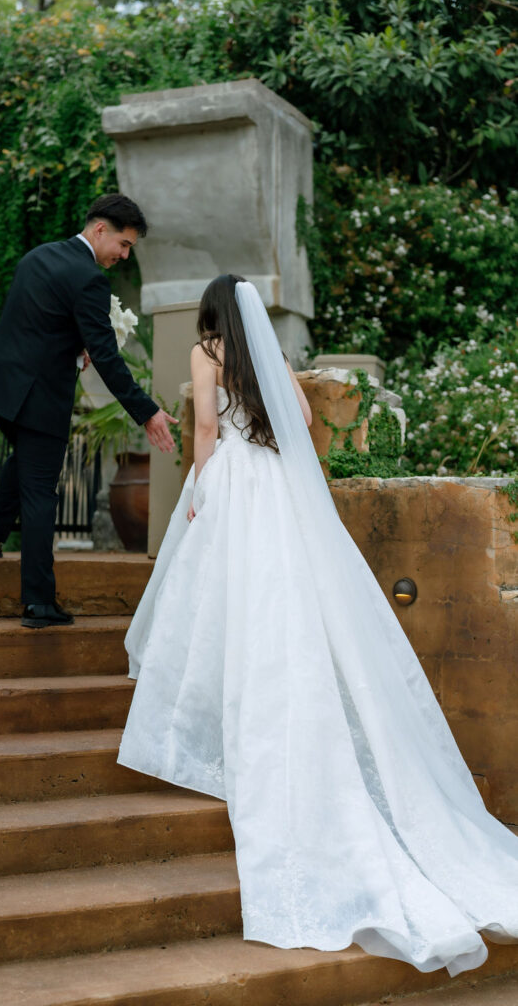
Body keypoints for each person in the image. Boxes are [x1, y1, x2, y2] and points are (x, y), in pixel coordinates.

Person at [117, 274, 518, 976]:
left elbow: (204, 429)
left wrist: (202, 490)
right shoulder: (263, 356)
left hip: (234, 481)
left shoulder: (205, 352)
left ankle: (221, 713)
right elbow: (299, 421)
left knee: (223, 604)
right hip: (276, 484)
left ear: (211, 315)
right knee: (286, 601)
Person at [0, 193, 177, 628]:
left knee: (26, 462)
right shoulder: (88, 277)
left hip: (0, 389)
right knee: (41, 492)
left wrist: (72, 342)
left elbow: (37, 322)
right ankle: (39, 603)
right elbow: (106, 356)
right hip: (40, 398)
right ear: (100, 230)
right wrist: (147, 411)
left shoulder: (38, 257)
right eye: (123, 244)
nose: (124, 255)